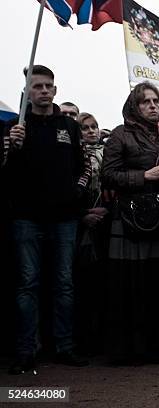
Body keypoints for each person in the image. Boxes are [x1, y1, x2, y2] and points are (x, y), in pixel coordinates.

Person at [3, 65, 90, 374]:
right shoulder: (15, 126)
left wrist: (75, 194)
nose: (43, 90)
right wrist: (11, 147)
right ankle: (27, 350)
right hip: (26, 217)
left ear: (55, 89)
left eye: (48, 86)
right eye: (37, 86)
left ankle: (65, 347)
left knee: (64, 284)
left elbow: (84, 167)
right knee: (28, 284)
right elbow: (5, 171)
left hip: (64, 217)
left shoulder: (69, 125)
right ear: (28, 90)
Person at [101, 82, 159, 364]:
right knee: (132, 287)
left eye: (156, 101)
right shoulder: (119, 135)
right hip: (131, 218)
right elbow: (108, 175)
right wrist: (144, 176)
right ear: (134, 106)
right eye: (145, 101)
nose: (152, 106)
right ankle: (132, 350)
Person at [74, 112, 109, 354]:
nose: (90, 131)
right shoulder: (74, 155)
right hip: (78, 225)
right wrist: (82, 214)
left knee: (102, 284)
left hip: (105, 222)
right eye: (85, 128)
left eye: (94, 126)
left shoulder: (107, 153)